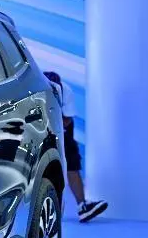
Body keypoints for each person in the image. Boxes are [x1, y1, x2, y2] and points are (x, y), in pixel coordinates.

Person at [44, 71, 108, 222]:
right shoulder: (32, 90)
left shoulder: (65, 91)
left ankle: (82, 207)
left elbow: (67, 118)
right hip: (38, 127)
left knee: (71, 160)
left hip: (61, 126)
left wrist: (56, 131)